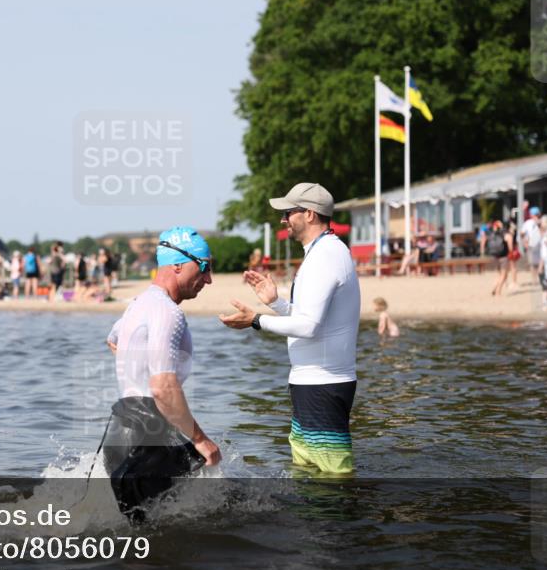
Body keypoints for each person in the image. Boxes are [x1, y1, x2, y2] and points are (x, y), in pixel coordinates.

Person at [220, 183, 360, 475]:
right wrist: (277, 304)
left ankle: (340, 522)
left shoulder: (326, 256)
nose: (283, 219)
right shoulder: (321, 252)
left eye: (288, 212)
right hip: (310, 382)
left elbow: (308, 326)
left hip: (323, 383)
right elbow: (314, 319)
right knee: (308, 474)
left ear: (309, 214)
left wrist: (256, 320)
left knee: (333, 479)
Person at [102, 226, 221, 523]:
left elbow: (113, 340)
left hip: (120, 433)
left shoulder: (138, 304)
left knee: (135, 546)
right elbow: (163, 387)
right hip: (147, 439)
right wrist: (201, 440)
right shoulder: (168, 312)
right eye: (204, 267)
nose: (208, 279)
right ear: (178, 264)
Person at [488, 220, 514, 296]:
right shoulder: (506, 234)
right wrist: (511, 254)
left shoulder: (492, 234)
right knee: (504, 275)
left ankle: (495, 288)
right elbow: (510, 247)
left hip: (495, 256)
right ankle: (498, 291)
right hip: (503, 256)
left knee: (499, 275)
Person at [520, 207, 543, 279]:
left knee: (540, 262)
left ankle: (539, 278)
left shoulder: (541, 222)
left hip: (541, 245)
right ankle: (535, 279)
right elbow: (522, 233)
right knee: (532, 263)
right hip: (531, 245)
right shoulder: (528, 222)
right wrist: (525, 242)